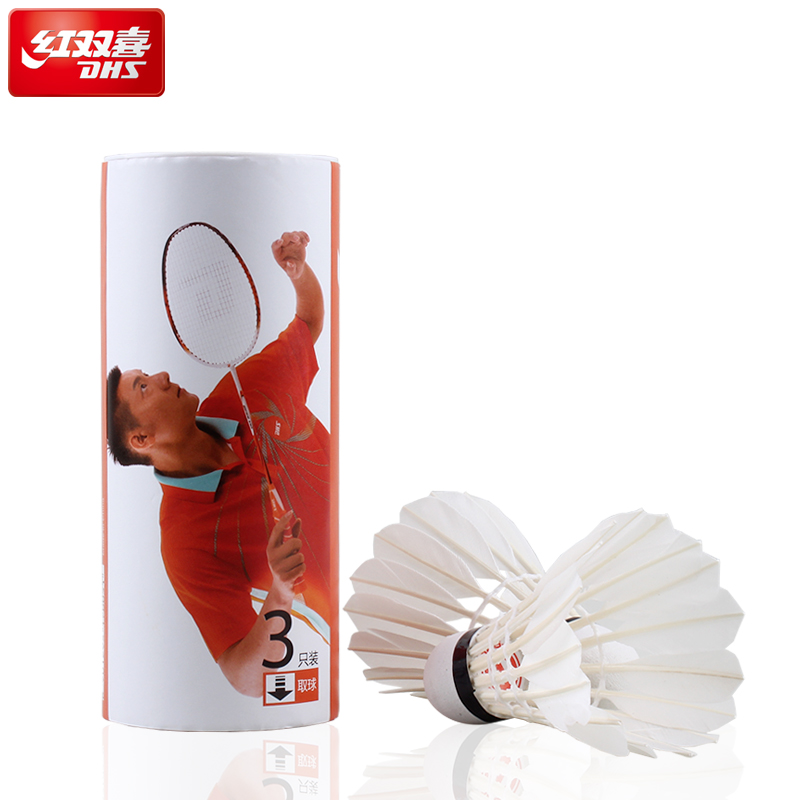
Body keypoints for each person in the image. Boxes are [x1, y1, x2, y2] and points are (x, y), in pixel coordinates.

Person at [107, 231, 330, 698]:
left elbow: (308, 322)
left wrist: (299, 272)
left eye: (146, 375)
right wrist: (279, 594)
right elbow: (241, 674)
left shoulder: (240, 390)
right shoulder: (184, 542)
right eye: (143, 387)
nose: (161, 376)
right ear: (141, 439)